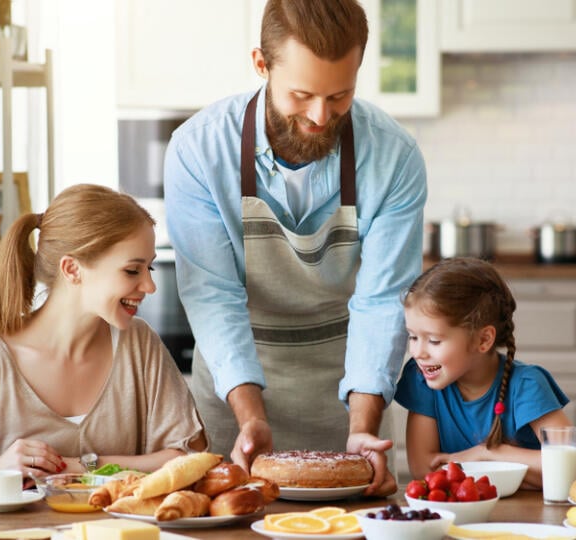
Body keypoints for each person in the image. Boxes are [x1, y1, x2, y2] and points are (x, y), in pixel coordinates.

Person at [163, 0, 427, 496]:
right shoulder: (198, 150)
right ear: (261, 65)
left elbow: (382, 301)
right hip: (233, 399)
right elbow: (214, 296)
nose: (321, 116)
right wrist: (250, 417)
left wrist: (362, 426)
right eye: (302, 95)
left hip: (347, 393)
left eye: (340, 95)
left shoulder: (394, 156)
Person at [0, 184, 207, 486]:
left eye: (149, 267)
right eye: (132, 271)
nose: (150, 286)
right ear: (72, 269)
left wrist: (80, 465)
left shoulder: (138, 345)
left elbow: (189, 458)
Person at [393, 258, 576, 489]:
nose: (417, 352)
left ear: (484, 339)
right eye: (413, 337)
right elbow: (425, 469)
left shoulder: (527, 385)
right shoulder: (421, 380)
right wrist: (528, 471)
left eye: (434, 340)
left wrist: (487, 453)